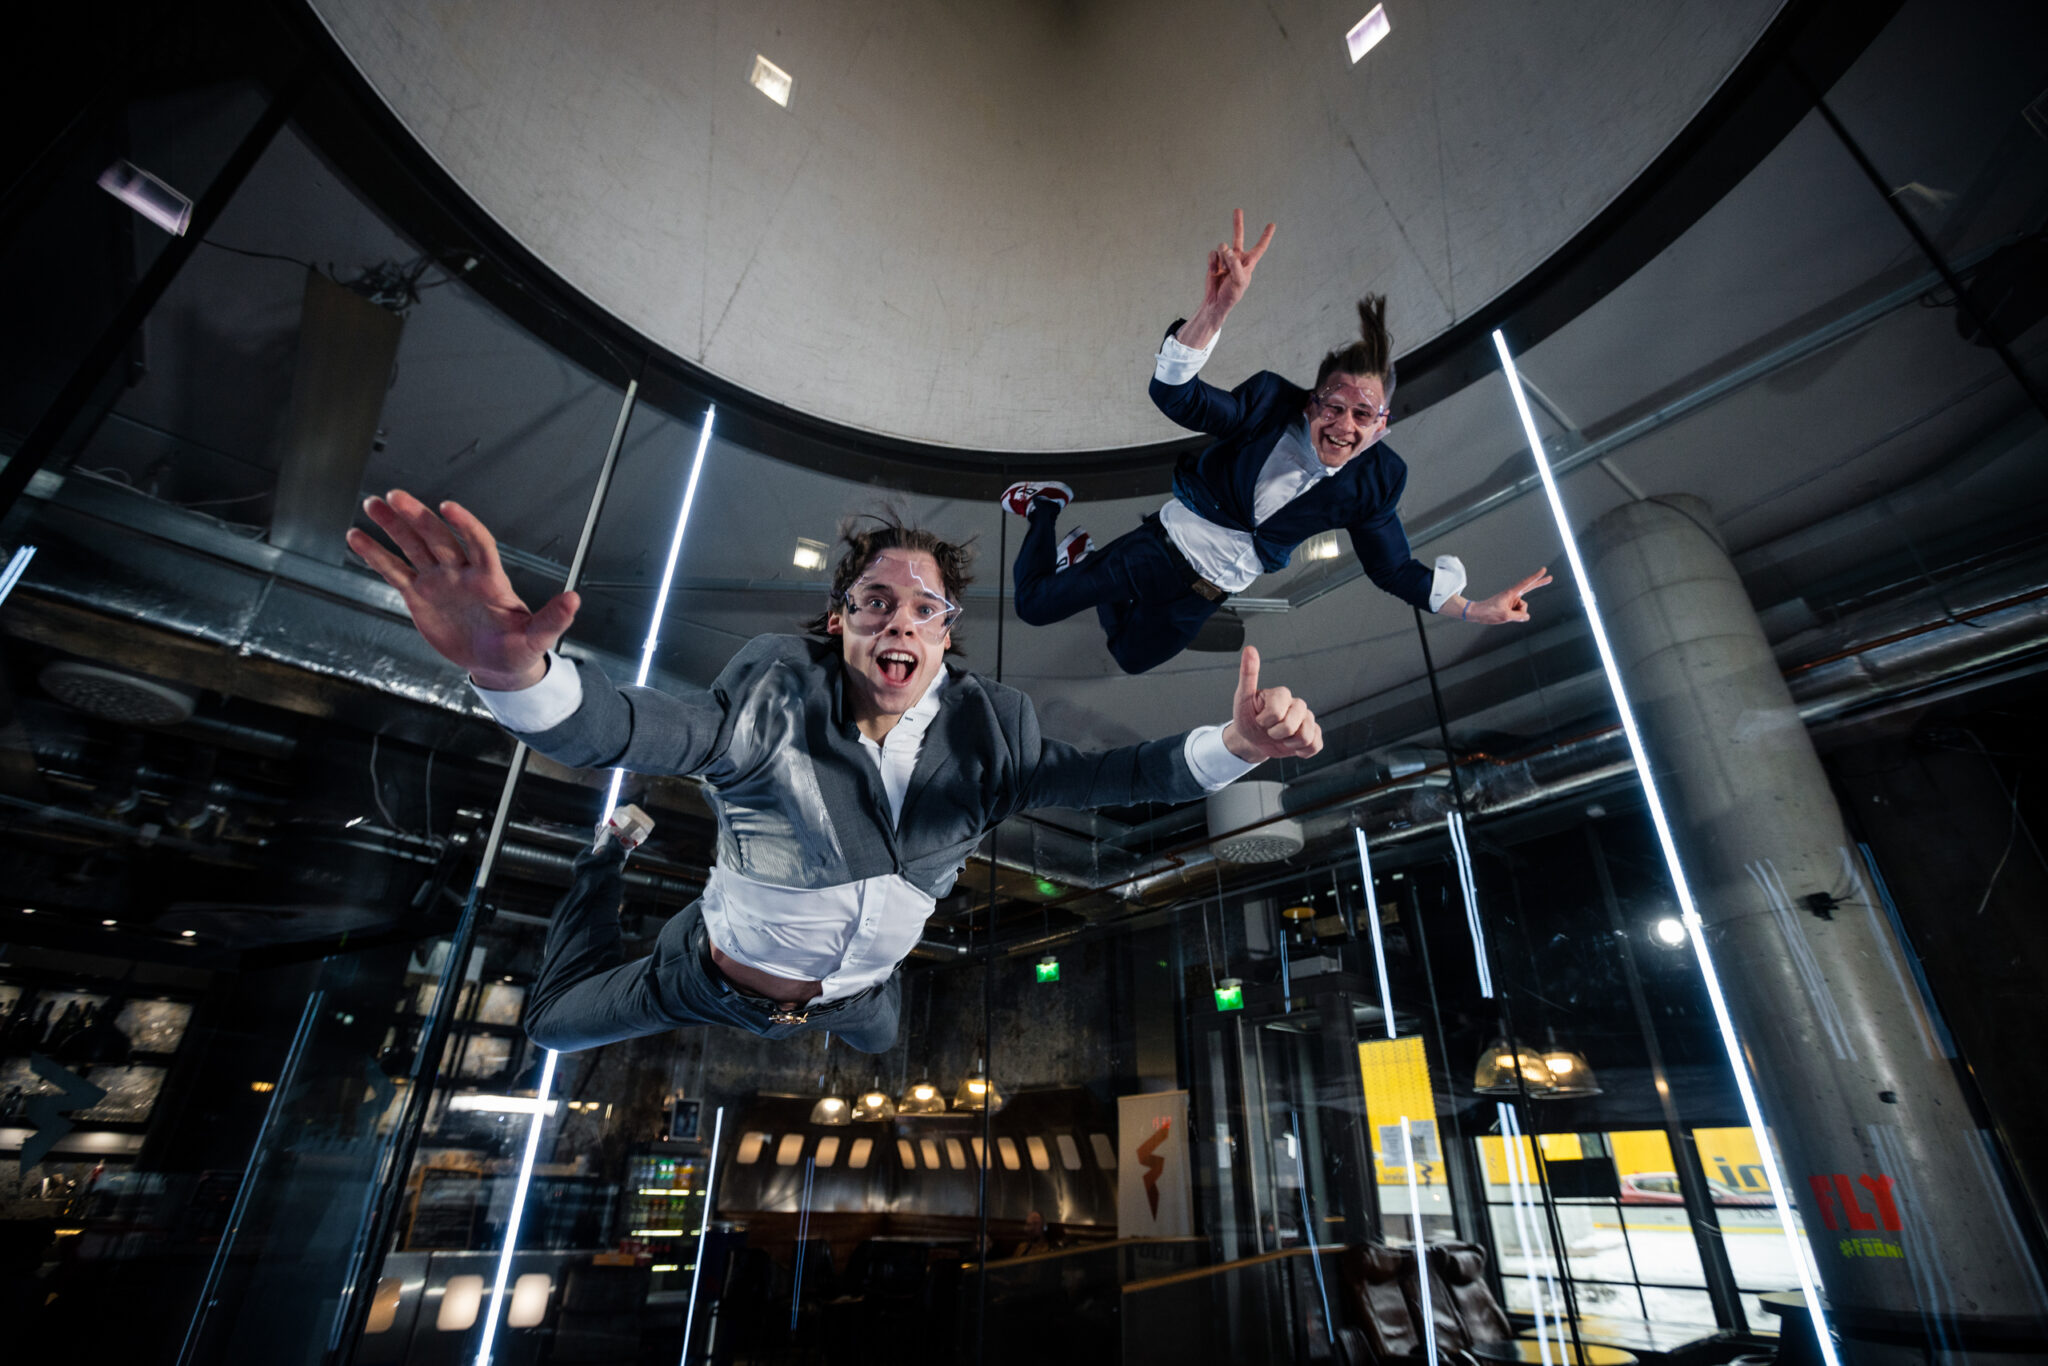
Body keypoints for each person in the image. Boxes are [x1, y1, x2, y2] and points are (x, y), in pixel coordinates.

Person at [346, 492, 1324, 1053]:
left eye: (924, 607)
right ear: (837, 623)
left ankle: (704, 903)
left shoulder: (992, 733)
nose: (899, 617)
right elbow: (632, 727)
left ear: (944, 636)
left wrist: (1234, 747)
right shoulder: (768, 704)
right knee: (555, 1027)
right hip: (711, 979)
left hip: (857, 988)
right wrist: (516, 673)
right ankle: (603, 861)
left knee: (881, 1034)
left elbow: (1111, 775)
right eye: (873, 600)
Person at [1004, 210, 1552, 674]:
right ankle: (1048, 510)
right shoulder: (1268, 406)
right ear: (1312, 400)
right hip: (1159, 552)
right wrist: (1215, 312)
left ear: (1382, 425)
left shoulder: (1377, 479)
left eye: (1363, 415)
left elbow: (1391, 567)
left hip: (1205, 596)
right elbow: (1175, 396)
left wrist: (1472, 609)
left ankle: (1083, 556)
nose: (1343, 426)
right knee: (1033, 606)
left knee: (1129, 655)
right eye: (1333, 407)